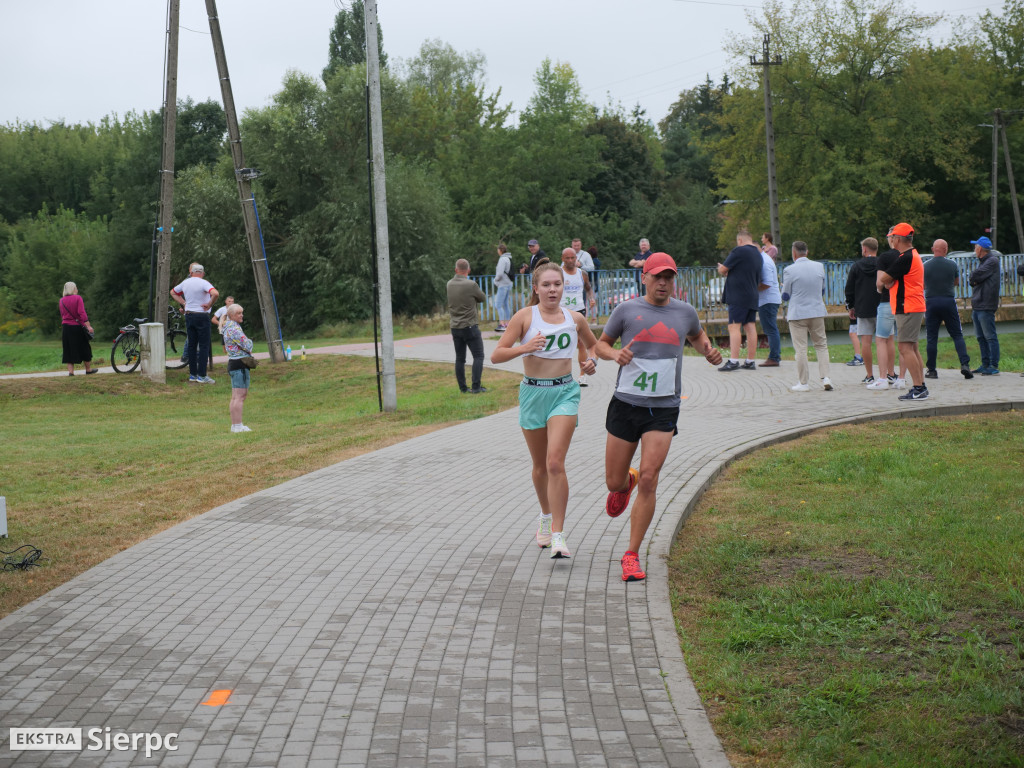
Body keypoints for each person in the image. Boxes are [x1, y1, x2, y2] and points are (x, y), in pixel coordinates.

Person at [596, 253, 723, 581]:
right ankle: (627, 482)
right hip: (625, 404)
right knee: (614, 481)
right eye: (657, 277)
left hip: (664, 408)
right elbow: (600, 345)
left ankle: (632, 554)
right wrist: (614, 354)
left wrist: (708, 350)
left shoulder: (685, 312)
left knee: (651, 478)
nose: (663, 283)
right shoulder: (626, 310)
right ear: (645, 278)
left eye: (669, 277)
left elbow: (697, 336)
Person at [490, 261, 598, 559]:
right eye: (547, 285)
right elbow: (497, 355)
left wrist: (591, 363)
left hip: (565, 392)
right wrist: (525, 348)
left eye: (558, 284)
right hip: (533, 393)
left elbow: (594, 347)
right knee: (539, 467)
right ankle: (546, 517)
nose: (553, 290)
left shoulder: (575, 318)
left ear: (565, 287)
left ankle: (559, 536)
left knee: (554, 463)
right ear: (536, 288)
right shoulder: (525, 317)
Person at [877, 223, 928, 400]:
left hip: (907, 306)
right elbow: (889, 280)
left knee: (905, 347)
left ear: (898, 239)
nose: (891, 240)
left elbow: (884, 278)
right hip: (912, 305)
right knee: (912, 347)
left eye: (892, 238)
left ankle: (918, 388)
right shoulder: (912, 255)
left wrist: (889, 281)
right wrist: (890, 281)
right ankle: (921, 385)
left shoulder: (905, 257)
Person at [781, 241, 834, 392]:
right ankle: (826, 378)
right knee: (821, 345)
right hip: (817, 311)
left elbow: (785, 296)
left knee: (801, 349)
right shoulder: (819, 267)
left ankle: (803, 383)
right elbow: (822, 291)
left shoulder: (789, 270)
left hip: (798, 313)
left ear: (794, 253)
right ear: (807, 252)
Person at [923, 239, 973, 379]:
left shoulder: (925, 265)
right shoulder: (952, 264)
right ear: (946, 250)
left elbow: (922, 285)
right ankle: (964, 365)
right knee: (957, 334)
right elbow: (956, 282)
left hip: (931, 302)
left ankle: (932, 370)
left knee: (932, 337)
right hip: (948, 301)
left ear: (933, 249)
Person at [716, 229, 762, 371]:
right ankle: (750, 361)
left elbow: (723, 269)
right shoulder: (758, 255)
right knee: (750, 326)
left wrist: (722, 269)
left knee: (734, 326)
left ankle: (734, 361)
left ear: (740, 240)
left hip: (738, 295)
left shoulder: (739, 250)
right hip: (752, 294)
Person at [171, 263, 219, 384]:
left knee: (192, 346)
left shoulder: (185, 282)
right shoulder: (204, 283)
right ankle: (202, 375)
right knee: (204, 346)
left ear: (191, 272)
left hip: (189, 315)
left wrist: (184, 303)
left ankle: (193, 375)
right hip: (202, 316)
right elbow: (215, 293)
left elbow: (172, 292)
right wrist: (209, 304)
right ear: (202, 273)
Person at [446, 258, 487, 394]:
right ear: (468, 270)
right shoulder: (471, 285)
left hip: (455, 327)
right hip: (470, 326)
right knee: (478, 356)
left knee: (460, 358)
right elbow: (482, 298)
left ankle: (463, 388)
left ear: (455, 270)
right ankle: (476, 387)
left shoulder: (449, 284)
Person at [845, 238, 881, 384]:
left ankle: (869, 375)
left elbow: (849, 288)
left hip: (863, 308)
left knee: (866, 342)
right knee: (884, 341)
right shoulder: (882, 264)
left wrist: (851, 306)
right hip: (882, 307)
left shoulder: (856, 266)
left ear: (865, 249)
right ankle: (889, 373)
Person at [560, 247, 597, 386]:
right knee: (563, 343)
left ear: (576, 259)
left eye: (573, 258)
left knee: (581, 343)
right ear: (562, 259)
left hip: (579, 311)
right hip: (562, 311)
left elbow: (588, 288)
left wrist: (591, 298)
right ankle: (563, 374)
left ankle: (582, 375)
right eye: (567, 258)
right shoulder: (559, 273)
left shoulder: (582, 274)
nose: (570, 261)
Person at [867, 245, 903, 390]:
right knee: (903, 342)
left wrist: (879, 288)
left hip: (887, 302)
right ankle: (901, 378)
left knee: (881, 339)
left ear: (893, 239)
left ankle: (882, 378)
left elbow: (880, 282)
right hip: (905, 302)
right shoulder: (910, 257)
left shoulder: (885, 257)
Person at [968, 235, 1001, 375]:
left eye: (975, 246)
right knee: (981, 337)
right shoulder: (984, 261)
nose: (974, 249)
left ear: (980, 248)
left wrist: (975, 279)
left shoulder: (992, 261)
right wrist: (975, 279)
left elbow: (975, 275)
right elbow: (974, 278)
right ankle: (985, 363)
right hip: (978, 304)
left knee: (990, 336)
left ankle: (993, 365)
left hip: (986, 304)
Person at [222, 303, 254, 433]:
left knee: (236, 396)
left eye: (242, 312)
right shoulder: (234, 329)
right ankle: (238, 426)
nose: (241, 315)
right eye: (238, 313)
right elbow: (247, 345)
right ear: (231, 315)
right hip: (239, 364)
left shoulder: (229, 326)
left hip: (234, 363)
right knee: (239, 396)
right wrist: (250, 341)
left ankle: (235, 425)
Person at [59, 282, 97, 376]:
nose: (77, 289)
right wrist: (88, 326)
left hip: (66, 328)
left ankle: (71, 372)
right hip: (77, 326)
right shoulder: (78, 298)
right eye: (76, 287)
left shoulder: (61, 300)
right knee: (84, 347)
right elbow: (82, 313)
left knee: (68, 348)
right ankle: (88, 370)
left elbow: (62, 315)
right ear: (73, 289)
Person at [757, 245, 782, 366]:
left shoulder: (764, 262)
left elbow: (767, 283)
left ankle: (774, 357)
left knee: (771, 329)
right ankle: (776, 355)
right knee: (771, 328)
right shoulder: (765, 259)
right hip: (769, 300)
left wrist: (752, 289)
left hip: (768, 300)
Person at [494, 244, 514, 332]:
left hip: (503, 284)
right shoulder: (508, 258)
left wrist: (495, 281)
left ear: (500, 250)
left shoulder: (502, 259)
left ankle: (501, 324)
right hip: (509, 283)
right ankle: (508, 323)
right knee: (506, 304)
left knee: (498, 304)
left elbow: (499, 274)